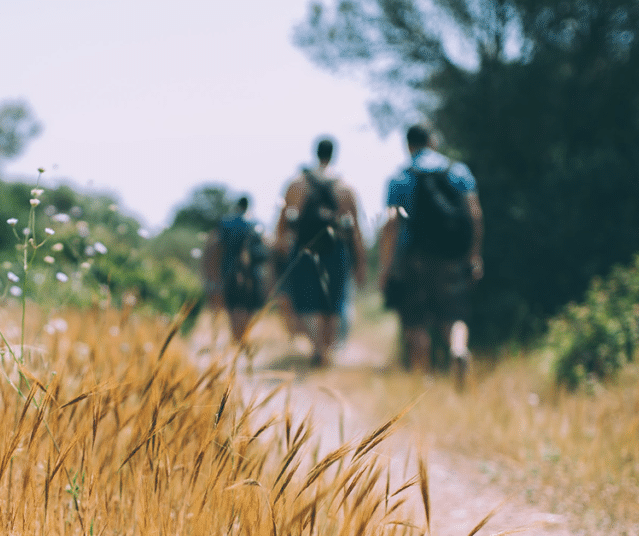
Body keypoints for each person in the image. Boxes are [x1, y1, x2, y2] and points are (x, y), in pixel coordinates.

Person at [379, 124, 483, 389]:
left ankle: (423, 381)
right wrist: (474, 255)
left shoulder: (400, 177)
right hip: (451, 255)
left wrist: (386, 267)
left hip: (413, 257)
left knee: (416, 319)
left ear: (408, 145)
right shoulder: (457, 171)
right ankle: (458, 349)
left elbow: (391, 226)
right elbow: (475, 215)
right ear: (433, 141)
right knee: (454, 312)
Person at [274, 136, 367, 367]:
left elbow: (282, 223)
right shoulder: (345, 187)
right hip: (336, 250)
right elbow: (356, 230)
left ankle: (316, 347)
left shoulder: (297, 183)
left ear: (315, 153)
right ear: (334, 154)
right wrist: (360, 263)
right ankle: (327, 350)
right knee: (331, 300)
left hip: (305, 249)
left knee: (308, 299)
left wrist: (280, 252)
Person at [202, 196, 269, 346]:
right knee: (249, 305)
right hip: (253, 273)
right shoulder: (256, 223)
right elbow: (265, 248)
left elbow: (214, 247)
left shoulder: (225, 223)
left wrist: (212, 274)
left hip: (230, 271)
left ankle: (237, 338)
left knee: (233, 306)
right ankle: (243, 336)